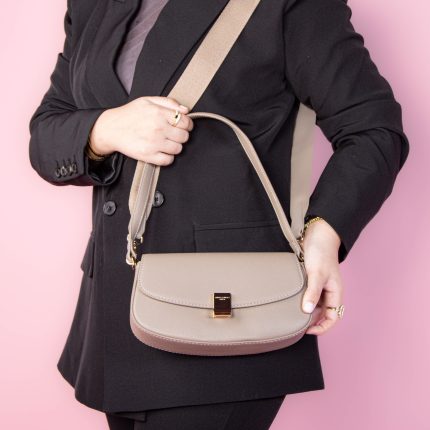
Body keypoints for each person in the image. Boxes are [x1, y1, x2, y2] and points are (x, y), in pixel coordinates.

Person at [28, 0, 409, 429]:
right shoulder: (89, 4)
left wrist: (324, 233)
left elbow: (373, 129)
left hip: (227, 312)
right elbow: (46, 135)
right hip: (115, 312)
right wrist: (106, 130)